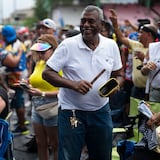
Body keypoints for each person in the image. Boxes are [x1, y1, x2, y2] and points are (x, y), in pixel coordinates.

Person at [42, 5, 124, 160]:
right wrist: (73, 84)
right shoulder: (68, 45)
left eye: (91, 21)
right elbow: (47, 73)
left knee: (102, 156)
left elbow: (119, 74)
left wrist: (116, 85)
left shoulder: (111, 45)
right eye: (83, 21)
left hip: (101, 111)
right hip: (71, 112)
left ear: (101, 24)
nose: (86, 25)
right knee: (68, 157)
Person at [23, 34, 59, 160]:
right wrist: (26, 83)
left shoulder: (58, 66)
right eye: (38, 51)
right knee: (40, 142)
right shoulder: (39, 63)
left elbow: (64, 91)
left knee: (55, 144)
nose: (40, 54)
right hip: (36, 105)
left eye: (43, 51)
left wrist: (42, 93)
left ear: (53, 49)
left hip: (52, 107)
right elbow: (34, 79)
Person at [109, 9, 157, 100]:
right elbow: (121, 38)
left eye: (141, 33)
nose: (138, 34)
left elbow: (156, 69)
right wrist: (115, 24)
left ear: (149, 35)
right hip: (135, 89)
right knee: (133, 113)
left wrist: (144, 60)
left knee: (148, 114)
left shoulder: (156, 49)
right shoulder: (136, 45)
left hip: (149, 91)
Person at [1, 25, 29, 135]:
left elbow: (14, 62)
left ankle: (23, 127)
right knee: (18, 101)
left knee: (18, 102)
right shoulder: (17, 44)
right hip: (17, 76)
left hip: (15, 78)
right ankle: (21, 123)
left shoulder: (12, 47)